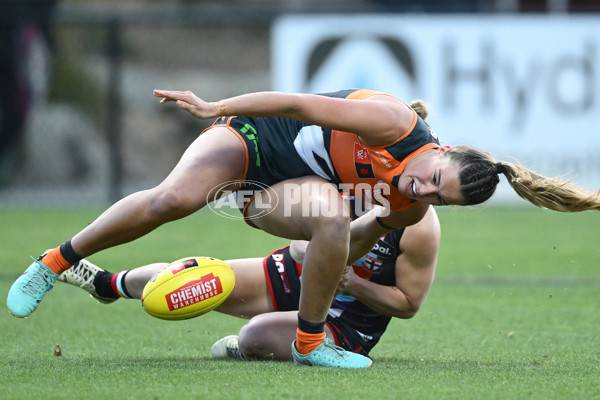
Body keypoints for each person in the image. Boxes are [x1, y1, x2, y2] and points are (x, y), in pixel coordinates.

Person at [7, 88, 600, 368]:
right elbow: (295, 105)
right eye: (430, 177)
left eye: (435, 196)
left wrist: (340, 256)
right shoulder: (392, 123)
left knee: (337, 219)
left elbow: (354, 239)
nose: (421, 191)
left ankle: (311, 345)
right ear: (440, 150)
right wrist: (219, 108)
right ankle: (55, 262)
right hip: (256, 139)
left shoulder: (413, 212)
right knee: (170, 200)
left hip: (280, 197)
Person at [57, 205, 440, 363]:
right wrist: (311, 252)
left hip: (347, 323)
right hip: (294, 275)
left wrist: (354, 283)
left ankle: (246, 347)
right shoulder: (347, 179)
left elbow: (408, 303)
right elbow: (299, 240)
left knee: (254, 335)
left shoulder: (419, 225)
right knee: (196, 276)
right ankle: (108, 284)